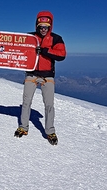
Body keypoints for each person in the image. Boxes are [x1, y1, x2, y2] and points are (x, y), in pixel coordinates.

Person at [14, 11, 66, 145]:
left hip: (47, 76)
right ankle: (23, 127)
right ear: (37, 26)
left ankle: (50, 131)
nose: (43, 29)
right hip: (31, 74)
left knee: (49, 104)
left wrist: (46, 51)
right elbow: (15, 47)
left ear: (50, 27)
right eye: (41, 26)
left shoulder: (56, 39)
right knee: (26, 102)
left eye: (46, 27)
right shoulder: (30, 37)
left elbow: (61, 55)